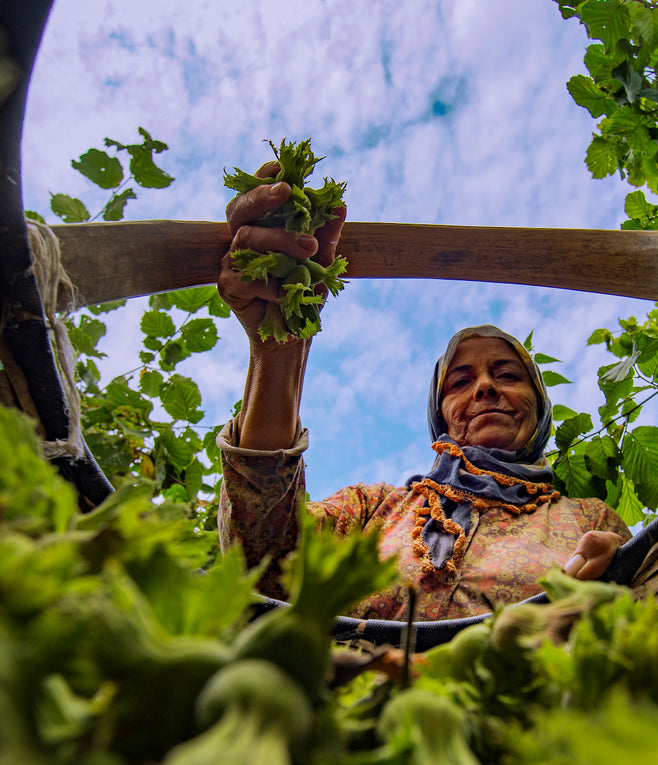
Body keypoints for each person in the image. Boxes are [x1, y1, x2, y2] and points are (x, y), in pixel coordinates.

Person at [216, 161, 631, 621]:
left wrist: (616, 577)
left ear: (540, 407)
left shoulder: (587, 522)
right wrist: (279, 350)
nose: (486, 387)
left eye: (508, 375)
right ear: (440, 415)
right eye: (460, 382)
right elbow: (262, 562)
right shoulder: (372, 512)